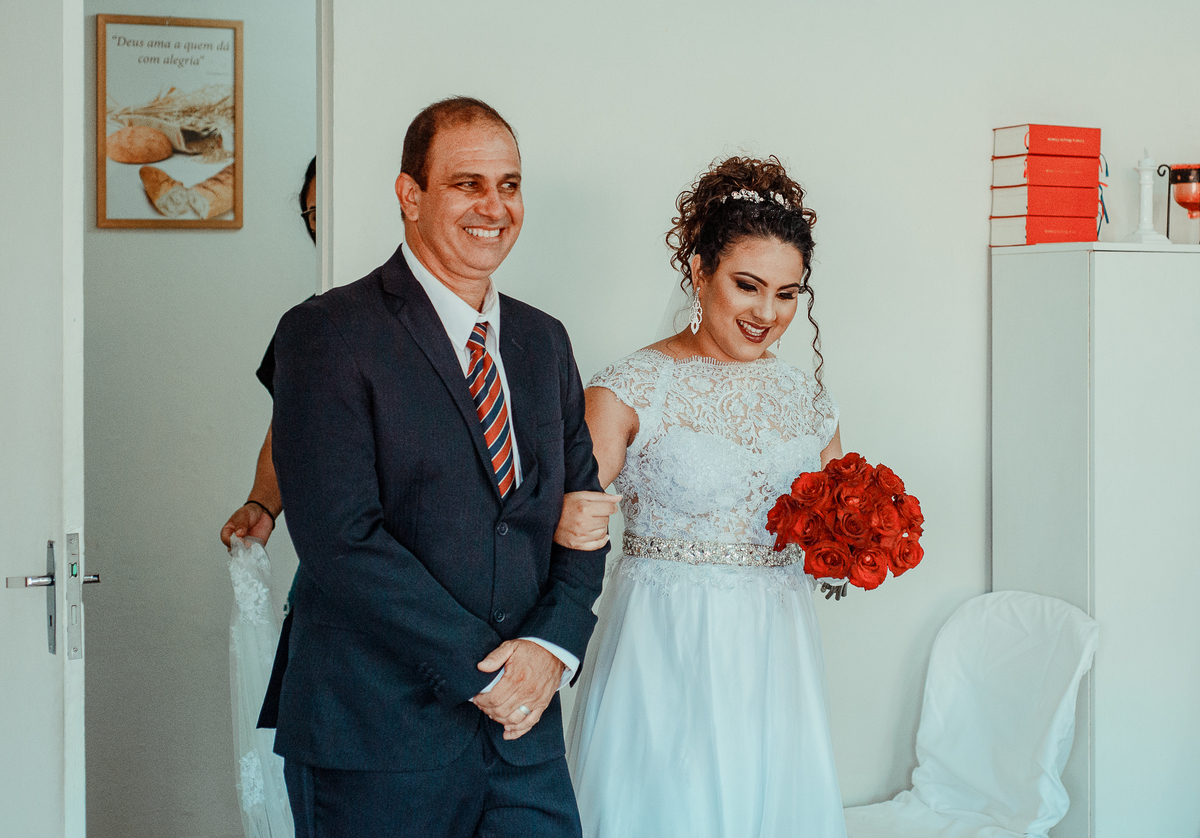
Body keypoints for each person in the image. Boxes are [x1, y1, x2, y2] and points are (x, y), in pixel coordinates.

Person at [268, 97, 608, 837]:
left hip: (523, 734)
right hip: (376, 737)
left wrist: (549, 649)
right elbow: (340, 541)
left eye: (509, 185)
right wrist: (490, 672)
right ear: (410, 194)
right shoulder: (326, 334)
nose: (495, 207)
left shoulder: (544, 342)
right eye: (467, 184)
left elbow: (583, 514)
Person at [559, 156, 848, 837]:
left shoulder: (805, 395)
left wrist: (863, 539)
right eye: (748, 286)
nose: (767, 313)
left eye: (787, 294)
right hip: (666, 645)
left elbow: (835, 517)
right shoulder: (630, 387)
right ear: (699, 272)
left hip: (776, 647)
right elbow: (564, 519)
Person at [220, 156, 317, 550]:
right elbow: (291, 428)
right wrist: (261, 504)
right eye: (315, 214)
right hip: (332, 556)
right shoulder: (307, 325)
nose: (326, 225)